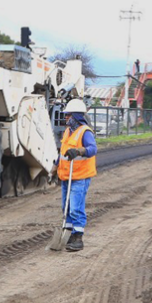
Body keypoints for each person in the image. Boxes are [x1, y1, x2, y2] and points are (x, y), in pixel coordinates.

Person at [58, 98, 97, 252]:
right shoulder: (68, 131)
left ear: (76, 116)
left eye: (68, 115)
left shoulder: (85, 131)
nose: (66, 117)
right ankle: (67, 235)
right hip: (66, 176)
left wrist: (79, 151)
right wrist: (55, 166)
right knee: (66, 207)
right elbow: (62, 153)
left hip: (80, 176)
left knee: (75, 208)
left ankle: (78, 237)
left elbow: (93, 149)